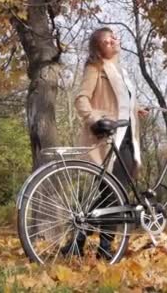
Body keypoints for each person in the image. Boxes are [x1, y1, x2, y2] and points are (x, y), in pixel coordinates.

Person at [65, 27, 147, 259]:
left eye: (113, 36)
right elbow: (81, 98)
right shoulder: (95, 68)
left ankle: (77, 241)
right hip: (108, 137)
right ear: (98, 48)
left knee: (109, 193)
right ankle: (104, 248)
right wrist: (94, 119)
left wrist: (136, 108)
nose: (112, 40)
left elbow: (121, 101)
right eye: (105, 40)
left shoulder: (121, 71)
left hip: (128, 137)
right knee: (113, 193)